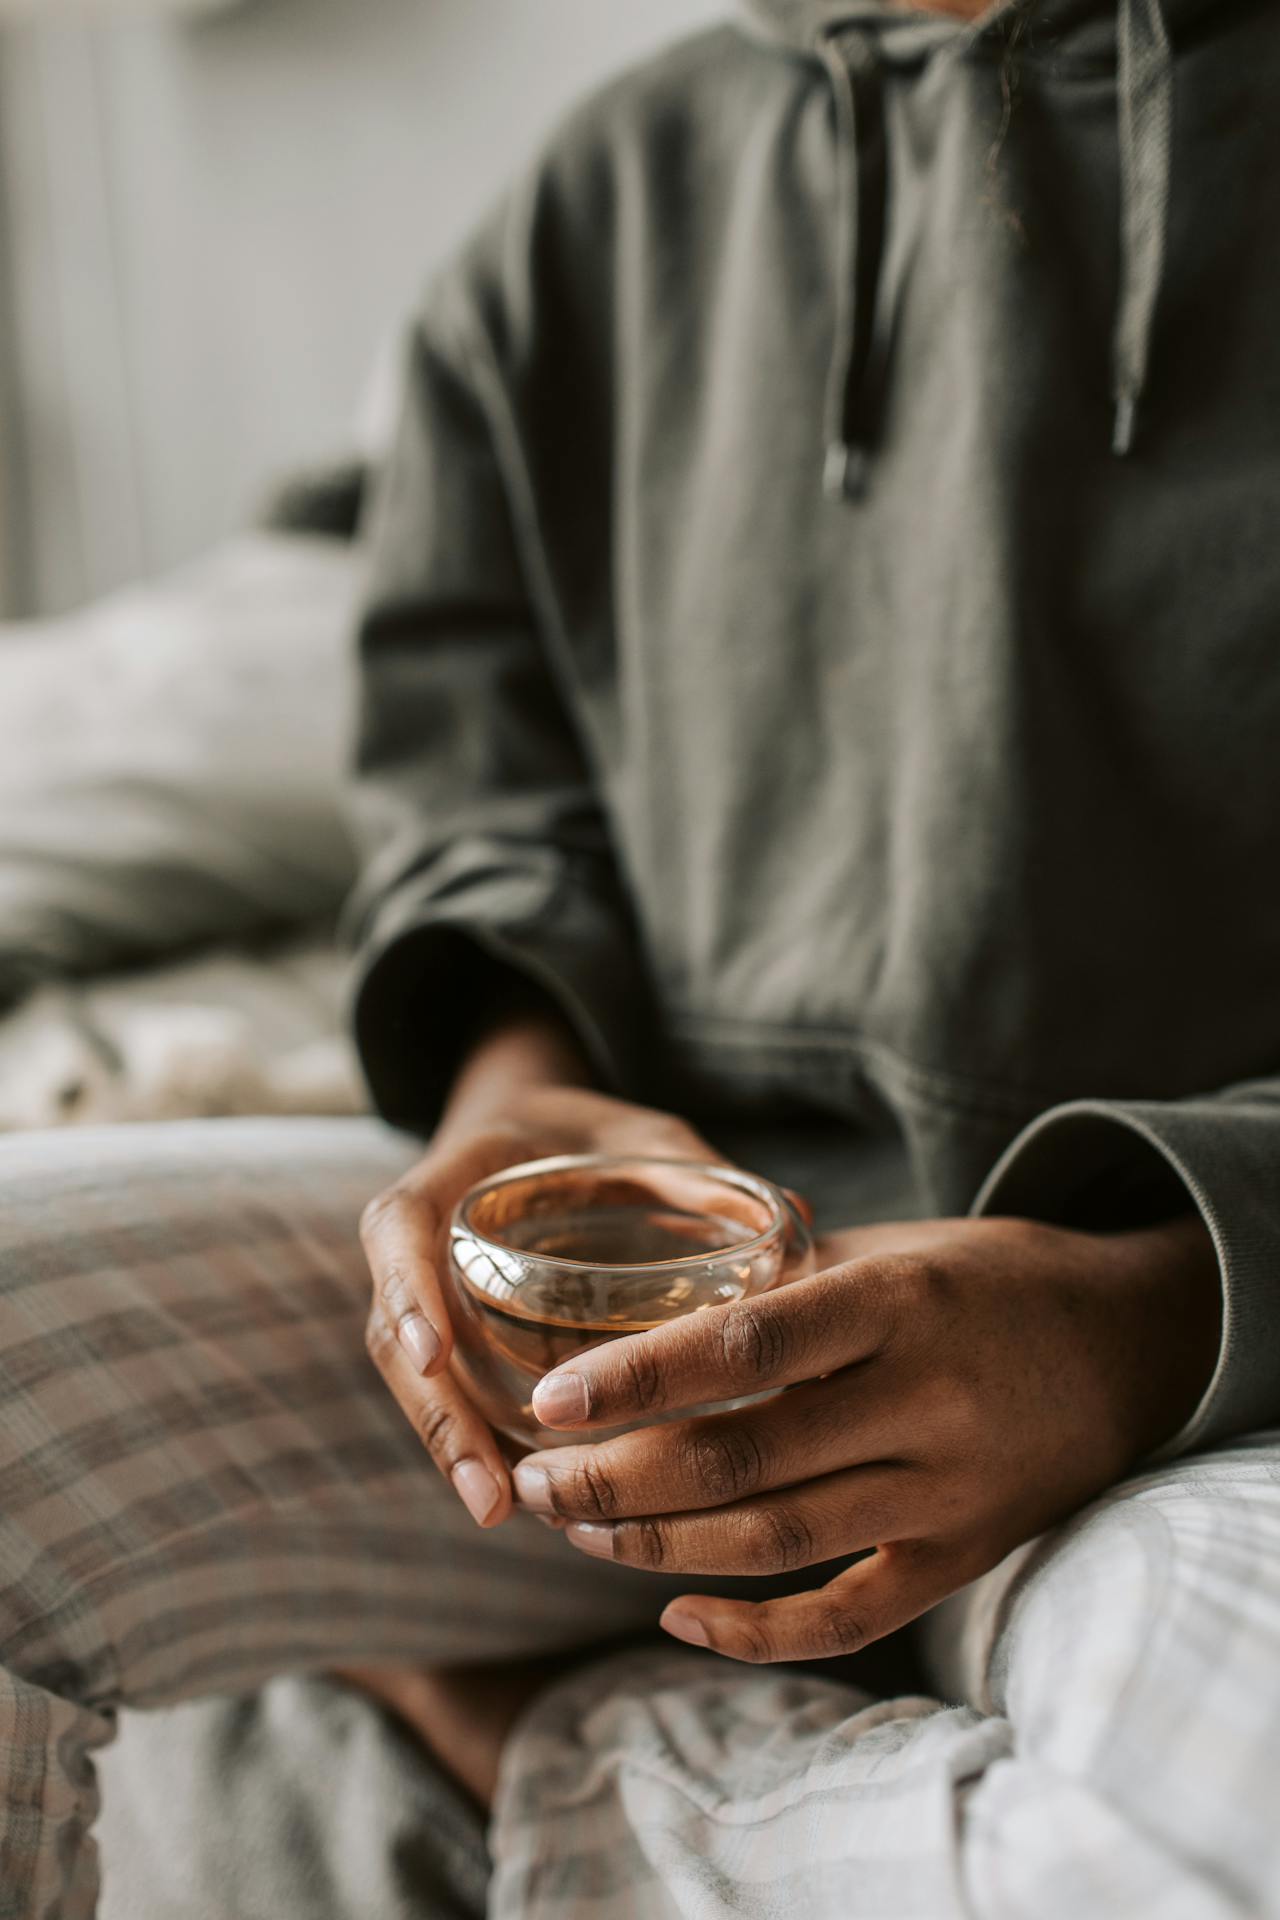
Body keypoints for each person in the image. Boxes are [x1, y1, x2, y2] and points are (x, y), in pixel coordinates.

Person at [2, 0, 1279, 1915]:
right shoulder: (592, 208)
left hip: (1202, 1375)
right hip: (615, 1334)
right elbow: (482, 794)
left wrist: (1146, 1306)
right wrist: (519, 1088)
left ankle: (529, 1746)